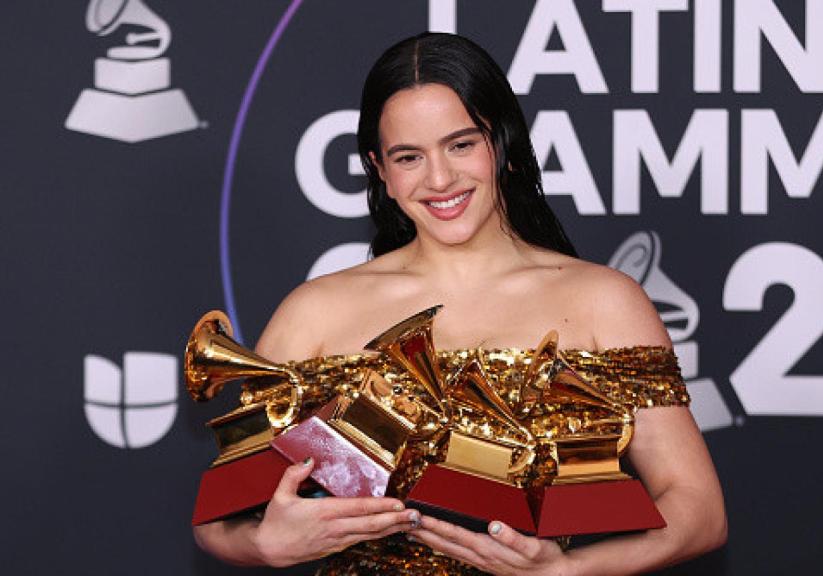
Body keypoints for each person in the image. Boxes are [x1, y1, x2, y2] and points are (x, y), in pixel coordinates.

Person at [194, 32, 726, 575]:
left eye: (461, 144)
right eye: (409, 156)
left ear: (502, 144)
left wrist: (564, 572)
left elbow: (698, 511)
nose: (440, 178)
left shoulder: (603, 301)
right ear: (381, 169)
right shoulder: (314, 311)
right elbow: (217, 520)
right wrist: (264, 543)